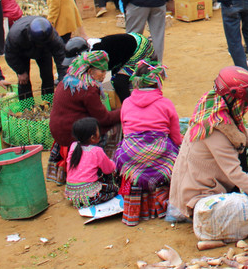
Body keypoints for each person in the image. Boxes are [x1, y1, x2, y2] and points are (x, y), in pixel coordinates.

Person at [169, 67, 248, 220]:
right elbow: (234, 172)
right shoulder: (214, 130)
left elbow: (238, 132)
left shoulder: (214, 107)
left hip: (207, 183)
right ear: (234, 98)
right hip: (198, 196)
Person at [114, 60, 182, 226]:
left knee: (123, 154)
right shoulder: (166, 104)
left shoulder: (127, 103)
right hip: (160, 153)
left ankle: (136, 209)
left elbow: (125, 132)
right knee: (175, 156)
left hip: (131, 155)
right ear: (158, 82)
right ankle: (163, 201)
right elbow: (176, 137)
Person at [48, 50, 121, 186]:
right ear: (90, 71)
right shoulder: (88, 89)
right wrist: (124, 111)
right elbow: (104, 119)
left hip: (58, 130)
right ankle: (104, 165)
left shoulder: (67, 80)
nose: (104, 76)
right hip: (70, 134)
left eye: (106, 72)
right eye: (101, 72)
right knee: (116, 124)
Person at [3, 16, 67, 101]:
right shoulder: (15, 36)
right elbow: (10, 55)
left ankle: (48, 102)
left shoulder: (52, 37)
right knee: (24, 81)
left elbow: (61, 58)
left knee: (47, 76)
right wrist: (20, 71)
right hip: (22, 53)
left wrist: (63, 79)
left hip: (44, 52)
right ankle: (27, 108)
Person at [64, 117, 119, 208]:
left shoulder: (73, 146)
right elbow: (108, 169)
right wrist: (114, 163)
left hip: (71, 193)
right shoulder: (96, 151)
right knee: (114, 188)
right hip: (91, 196)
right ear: (92, 137)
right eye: (98, 130)